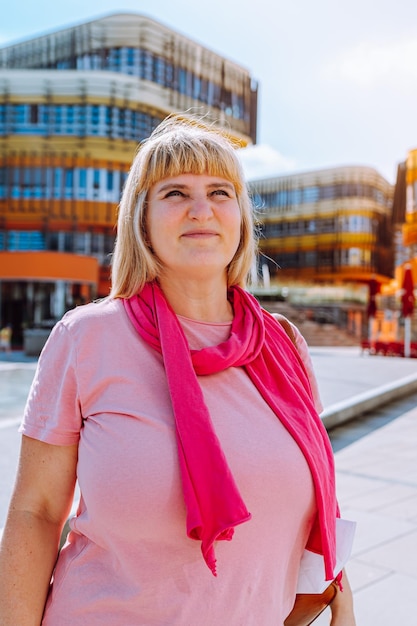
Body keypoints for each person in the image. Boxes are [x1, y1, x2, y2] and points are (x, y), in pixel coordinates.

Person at [0, 116, 356, 625]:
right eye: (174, 193)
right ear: (140, 219)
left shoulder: (283, 347)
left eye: (218, 191)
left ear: (239, 217)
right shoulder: (86, 339)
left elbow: (310, 510)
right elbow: (34, 512)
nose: (200, 209)